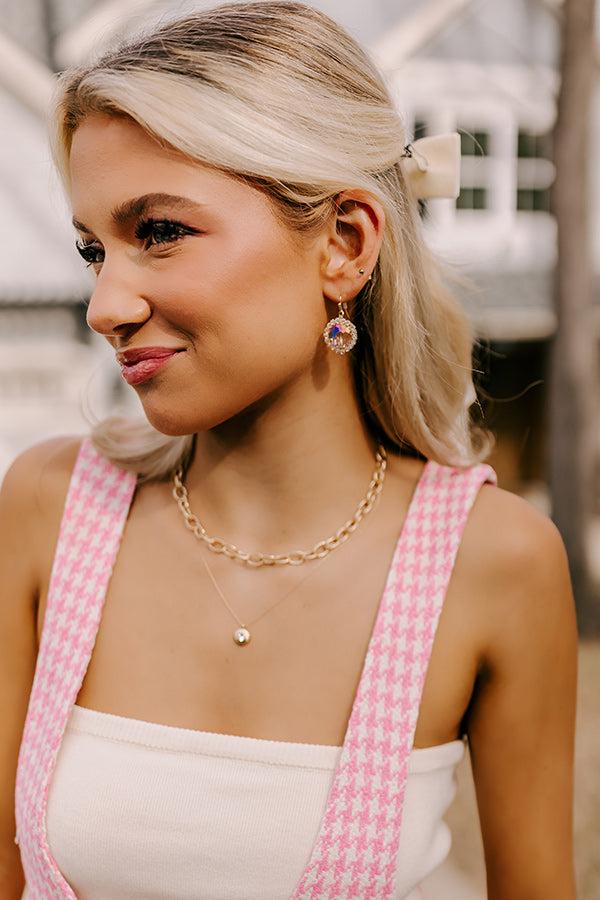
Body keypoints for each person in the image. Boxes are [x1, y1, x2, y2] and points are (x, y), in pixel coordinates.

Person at [0, 2, 578, 898]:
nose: (106, 305)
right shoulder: (49, 508)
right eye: (93, 249)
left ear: (344, 244)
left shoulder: (492, 562)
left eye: (158, 233)